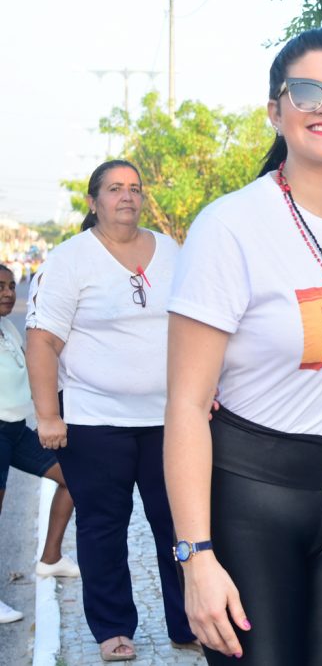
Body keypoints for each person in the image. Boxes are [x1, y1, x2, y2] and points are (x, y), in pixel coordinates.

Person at [164, 28, 322, 665]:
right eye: (307, 90)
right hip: (251, 502)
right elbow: (186, 407)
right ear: (276, 109)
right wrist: (196, 557)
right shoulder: (230, 226)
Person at [25, 160, 193, 661]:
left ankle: (187, 622)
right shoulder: (70, 259)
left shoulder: (172, 252)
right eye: (115, 188)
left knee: (180, 524)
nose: (127, 196)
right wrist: (47, 416)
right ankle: (113, 628)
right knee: (103, 526)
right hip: (95, 423)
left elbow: (196, 326)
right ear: (94, 201)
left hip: (171, 420)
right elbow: (42, 342)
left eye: (135, 188)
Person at [0, 264, 79, 625]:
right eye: (0, 286)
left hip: (16, 430)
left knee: (74, 478)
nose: (8, 292)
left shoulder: (7, 329)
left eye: (11, 286)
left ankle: (50, 558)